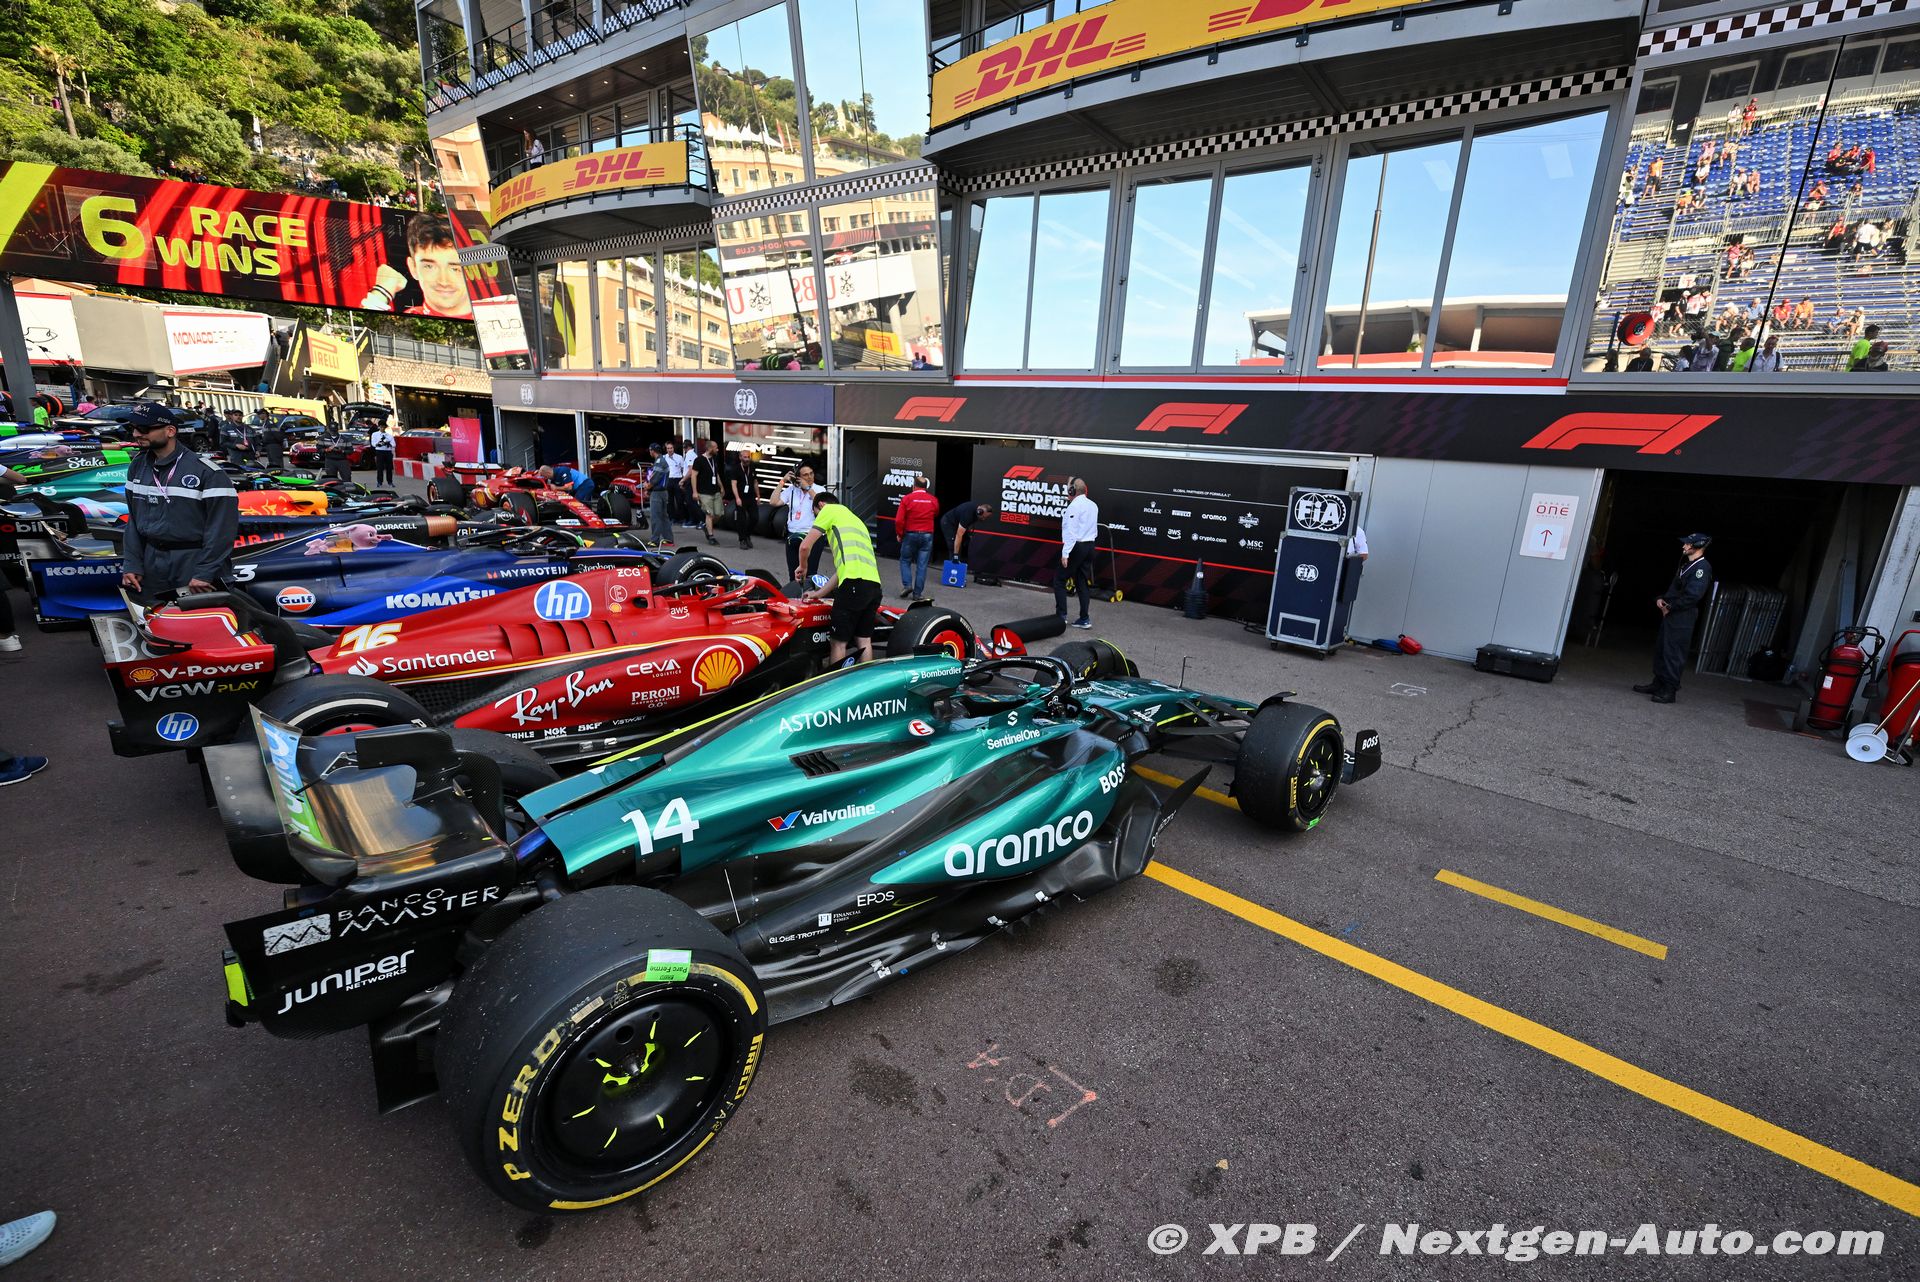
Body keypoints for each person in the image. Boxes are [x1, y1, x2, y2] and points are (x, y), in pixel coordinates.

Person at [119, 402, 239, 599]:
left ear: (170, 431)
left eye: (144, 428)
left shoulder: (207, 472)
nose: (136, 434)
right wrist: (132, 563)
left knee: (199, 618)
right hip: (152, 563)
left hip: (192, 563)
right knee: (154, 616)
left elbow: (222, 529)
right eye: (132, 428)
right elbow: (133, 520)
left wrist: (204, 572)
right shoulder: (138, 466)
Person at [795, 491, 882, 666]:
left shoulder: (828, 510)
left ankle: (836, 681)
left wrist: (802, 567)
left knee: (838, 642)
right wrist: (818, 594)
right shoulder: (856, 521)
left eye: (815, 514)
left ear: (821, 505)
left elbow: (804, 547)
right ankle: (866, 678)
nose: (816, 519)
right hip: (873, 587)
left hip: (853, 585)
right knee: (864, 640)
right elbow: (842, 571)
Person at [1635, 534, 1714, 704]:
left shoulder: (1702, 568)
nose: (1684, 546)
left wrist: (1671, 607)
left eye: (1688, 544)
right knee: (1663, 649)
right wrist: (1662, 599)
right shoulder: (1686, 565)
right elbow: (1675, 590)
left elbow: (1692, 596)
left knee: (1674, 652)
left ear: (1698, 545)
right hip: (1671, 614)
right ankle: (1659, 683)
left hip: (1682, 616)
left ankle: (1670, 690)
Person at [359, 214, 473, 320]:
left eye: (455, 269)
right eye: (429, 266)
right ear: (413, 268)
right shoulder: (406, 321)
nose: (443, 281)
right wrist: (382, 292)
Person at [1054, 477, 1099, 630]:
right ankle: (1084, 619)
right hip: (1090, 546)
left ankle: (1061, 617)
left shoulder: (1074, 507)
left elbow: (1071, 532)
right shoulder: (1093, 505)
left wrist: (1065, 553)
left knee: (1059, 580)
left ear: (1072, 490)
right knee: (1082, 582)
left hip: (1077, 547)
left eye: (1068, 488)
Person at [893, 474, 939, 599]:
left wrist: (899, 534)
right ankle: (917, 594)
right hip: (927, 535)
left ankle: (907, 585)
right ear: (926, 487)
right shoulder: (933, 500)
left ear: (914, 486)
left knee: (905, 560)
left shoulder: (907, 499)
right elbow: (935, 513)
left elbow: (899, 520)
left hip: (910, 534)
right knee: (922, 565)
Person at [779, 464, 825, 583]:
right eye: (805, 475)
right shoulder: (792, 490)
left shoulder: (820, 489)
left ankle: (808, 593)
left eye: (811, 473)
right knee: (793, 574)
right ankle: (794, 594)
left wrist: (809, 488)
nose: (810, 477)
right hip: (793, 535)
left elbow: (823, 507)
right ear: (798, 477)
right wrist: (782, 481)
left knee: (810, 574)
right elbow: (774, 502)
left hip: (812, 536)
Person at [690, 439, 723, 547]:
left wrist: (721, 486)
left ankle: (706, 525)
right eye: (716, 448)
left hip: (715, 491)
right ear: (710, 448)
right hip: (704, 492)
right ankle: (711, 536)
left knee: (718, 514)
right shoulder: (699, 460)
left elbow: (716, 474)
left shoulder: (714, 459)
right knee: (709, 514)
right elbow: (693, 476)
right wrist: (695, 492)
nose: (717, 450)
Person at [939, 498, 991, 568]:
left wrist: (968, 535)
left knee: (961, 543)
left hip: (958, 523)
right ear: (979, 512)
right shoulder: (968, 513)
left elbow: (968, 524)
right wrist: (956, 555)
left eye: (986, 517)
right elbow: (959, 535)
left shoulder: (977, 512)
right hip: (948, 523)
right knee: (953, 545)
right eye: (983, 517)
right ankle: (953, 568)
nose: (984, 519)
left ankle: (957, 564)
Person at [724, 448, 757, 550]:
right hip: (741, 497)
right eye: (745, 457)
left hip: (751, 497)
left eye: (748, 457)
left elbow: (755, 482)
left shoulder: (752, 467)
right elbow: (733, 484)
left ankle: (747, 535)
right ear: (740, 457)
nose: (747, 459)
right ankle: (742, 539)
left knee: (755, 518)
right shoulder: (736, 469)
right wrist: (737, 498)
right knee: (741, 519)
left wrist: (758, 496)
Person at [642, 444, 674, 545]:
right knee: (664, 516)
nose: (649, 452)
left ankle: (654, 541)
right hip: (663, 492)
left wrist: (647, 486)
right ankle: (668, 539)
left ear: (652, 451)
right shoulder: (661, 460)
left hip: (657, 493)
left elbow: (655, 478)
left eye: (650, 450)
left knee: (655, 517)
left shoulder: (659, 461)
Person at [663, 439, 690, 525]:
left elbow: (683, 469)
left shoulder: (679, 457)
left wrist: (683, 480)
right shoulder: (664, 458)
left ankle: (682, 518)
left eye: (671, 448)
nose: (670, 450)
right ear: (666, 449)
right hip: (669, 480)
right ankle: (672, 518)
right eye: (668, 448)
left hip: (677, 479)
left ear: (673, 448)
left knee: (679, 500)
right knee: (669, 501)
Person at [368, 419, 395, 486]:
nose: (382, 428)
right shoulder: (375, 434)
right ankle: (379, 482)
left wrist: (388, 443)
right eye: (381, 427)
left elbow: (394, 444)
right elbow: (373, 443)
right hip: (379, 451)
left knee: (389, 467)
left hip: (388, 451)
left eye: (384, 427)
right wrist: (379, 444)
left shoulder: (389, 435)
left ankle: (390, 481)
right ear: (379, 427)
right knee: (380, 467)